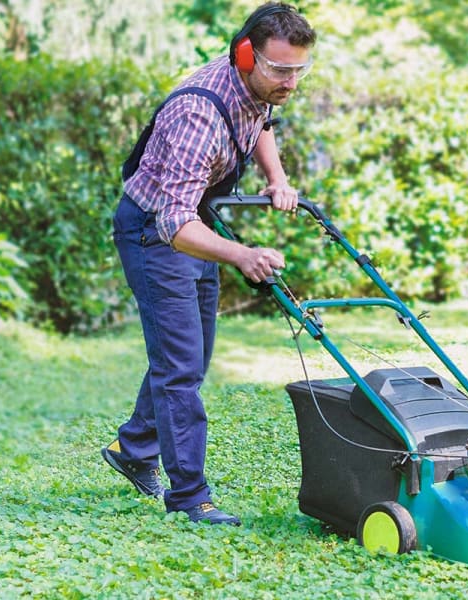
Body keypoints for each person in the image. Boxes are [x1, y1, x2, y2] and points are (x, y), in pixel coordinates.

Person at [102, 2, 316, 526]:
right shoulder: (197, 113)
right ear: (246, 55)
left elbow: (261, 122)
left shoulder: (257, 89)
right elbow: (174, 225)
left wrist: (277, 179)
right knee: (180, 370)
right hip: (158, 231)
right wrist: (244, 255)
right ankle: (190, 496)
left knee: (192, 358)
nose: (290, 82)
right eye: (280, 70)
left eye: (300, 70)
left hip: (195, 222)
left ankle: (133, 449)